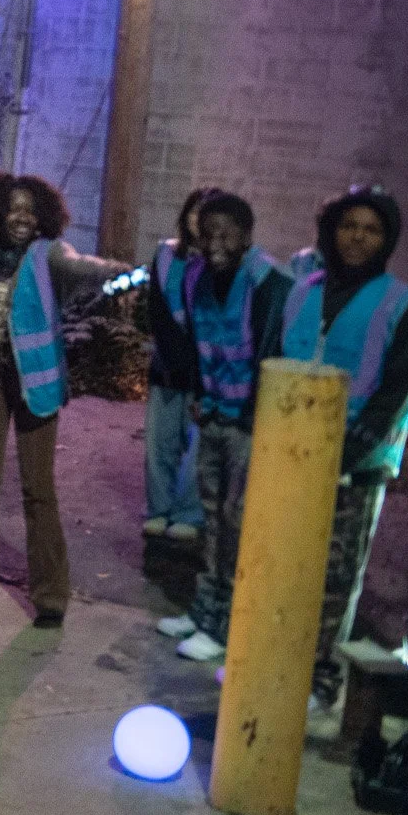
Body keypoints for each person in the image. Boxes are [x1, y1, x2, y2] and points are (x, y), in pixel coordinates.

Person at [0, 173, 125, 626]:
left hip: (35, 383)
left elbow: (88, 270)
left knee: (37, 488)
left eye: (29, 210)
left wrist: (130, 273)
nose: (21, 217)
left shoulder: (49, 254)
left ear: (42, 216)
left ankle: (51, 595)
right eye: (12, 209)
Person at [271, 186, 408, 710]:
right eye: (348, 226)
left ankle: (320, 682)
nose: (357, 237)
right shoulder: (302, 289)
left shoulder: (404, 305)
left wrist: (342, 460)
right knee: (282, 566)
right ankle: (271, 665)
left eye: (372, 229)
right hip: (288, 458)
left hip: (354, 467)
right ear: (331, 231)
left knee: (334, 581)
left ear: (386, 240)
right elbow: (275, 367)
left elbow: (392, 393)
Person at [149, 193, 289, 664]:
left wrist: (256, 418)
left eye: (227, 232)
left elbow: (274, 351)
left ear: (247, 235)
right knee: (211, 522)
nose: (216, 242)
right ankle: (205, 611)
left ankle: (227, 625)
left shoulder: (269, 281)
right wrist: (198, 397)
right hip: (212, 415)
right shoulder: (196, 277)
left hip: (250, 425)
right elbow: (197, 342)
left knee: (237, 526)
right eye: (209, 233)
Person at [141, 187, 223, 540]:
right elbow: (156, 313)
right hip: (167, 367)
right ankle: (159, 509)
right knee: (160, 442)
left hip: (208, 371)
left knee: (198, 447)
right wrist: (172, 356)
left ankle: (189, 513)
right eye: (195, 212)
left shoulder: (224, 264)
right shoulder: (165, 255)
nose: (199, 220)